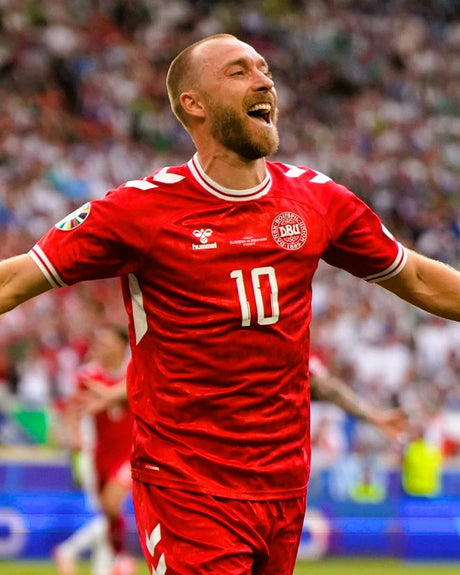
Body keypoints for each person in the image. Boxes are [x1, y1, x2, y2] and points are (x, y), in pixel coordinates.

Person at [0, 33, 459, 574]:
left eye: (264, 69)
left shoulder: (317, 199)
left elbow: (419, 279)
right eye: (239, 71)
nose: (264, 80)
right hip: (187, 486)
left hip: (284, 485)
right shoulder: (139, 211)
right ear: (193, 103)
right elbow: (15, 280)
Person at [53, 326, 136, 575]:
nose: (102, 347)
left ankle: (75, 551)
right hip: (98, 453)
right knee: (106, 514)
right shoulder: (89, 375)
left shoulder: (134, 370)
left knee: (111, 505)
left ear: (121, 345)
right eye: (100, 342)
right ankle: (106, 565)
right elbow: (72, 409)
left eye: (107, 342)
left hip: (130, 452)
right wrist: (74, 433)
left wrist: (107, 399)